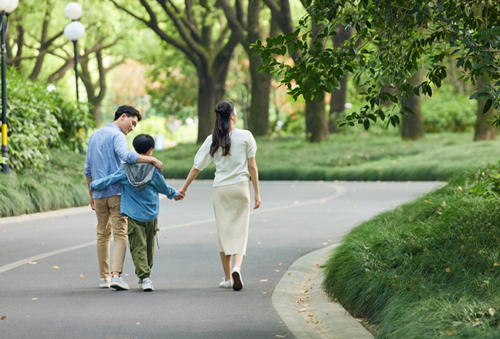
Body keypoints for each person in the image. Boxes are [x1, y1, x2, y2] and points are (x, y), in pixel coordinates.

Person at [179, 100, 261, 291]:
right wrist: (257, 192)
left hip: (221, 189)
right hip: (241, 188)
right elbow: (252, 167)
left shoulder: (213, 139)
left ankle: (227, 277)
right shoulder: (246, 136)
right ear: (232, 115)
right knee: (240, 230)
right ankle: (237, 268)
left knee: (224, 232)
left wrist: (184, 188)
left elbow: (197, 166)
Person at [84, 106, 163, 290]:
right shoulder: (117, 135)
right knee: (120, 234)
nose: (133, 128)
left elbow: (88, 169)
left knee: (102, 235)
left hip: (99, 194)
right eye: (132, 123)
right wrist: (152, 160)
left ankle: (104, 278)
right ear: (123, 116)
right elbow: (127, 156)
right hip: (117, 194)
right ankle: (116, 276)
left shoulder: (94, 136)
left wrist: (91, 194)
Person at [90, 134, 182, 292]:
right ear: (150, 150)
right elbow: (163, 188)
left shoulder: (125, 170)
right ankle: (145, 277)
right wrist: (175, 194)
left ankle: (144, 277)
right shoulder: (153, 170)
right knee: (148, 248)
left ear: (134, 150)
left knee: (138, 247)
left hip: (133, 216)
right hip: (151, 215)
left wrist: (94, 184)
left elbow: (110, 180)